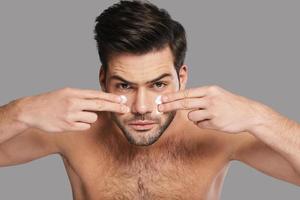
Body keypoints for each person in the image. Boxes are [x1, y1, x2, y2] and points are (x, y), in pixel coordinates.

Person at [0, 0, 299, 199]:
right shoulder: (74, 128)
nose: (141, 107)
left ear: (182, 77)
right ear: (103, 80)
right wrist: (20, 111)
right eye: (124, 86)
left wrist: (260, 116)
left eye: (158, 84)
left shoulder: (217, 133)